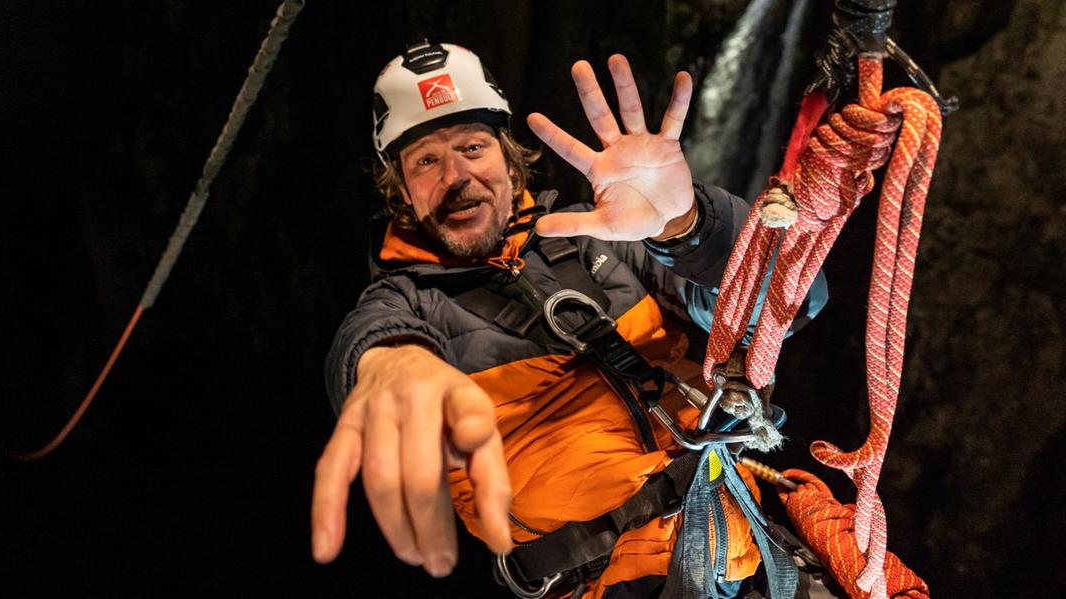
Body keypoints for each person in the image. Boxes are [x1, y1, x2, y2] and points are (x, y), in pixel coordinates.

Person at [311, 40, 826, 598]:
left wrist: (685, 226)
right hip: (610, 583)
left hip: (741, 545)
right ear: (403, 193)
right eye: (427, 161)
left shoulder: (599, 235)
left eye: (472, 147)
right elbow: (371, 351)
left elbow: (793, 303)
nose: (456, 176)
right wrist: (395, 371)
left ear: (509, 158)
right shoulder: (403, 302)